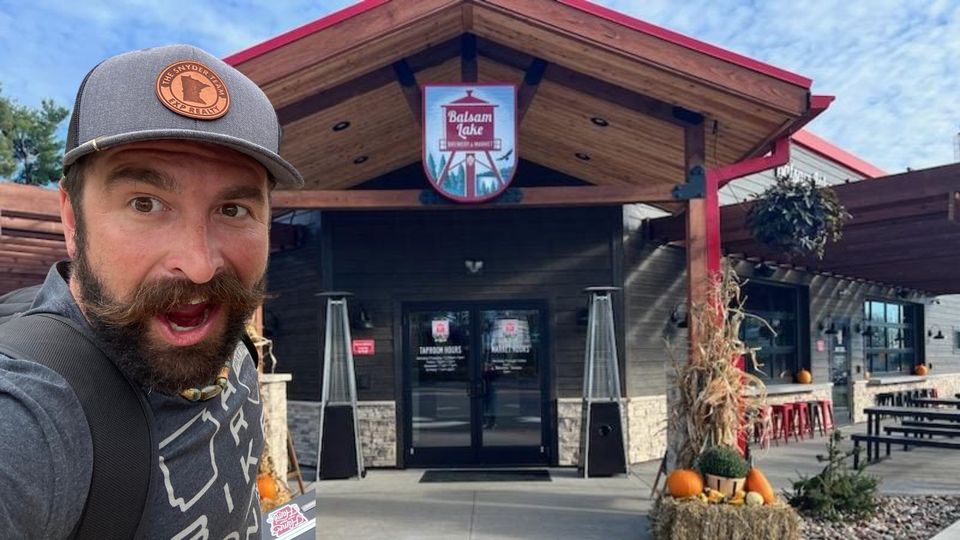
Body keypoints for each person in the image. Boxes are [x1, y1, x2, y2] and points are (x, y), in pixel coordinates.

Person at [0, 44, 302, 538]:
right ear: (73, 221)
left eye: (233, 210)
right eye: (146, 203)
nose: (200, 266)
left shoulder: (232, 346)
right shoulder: (32, 413)